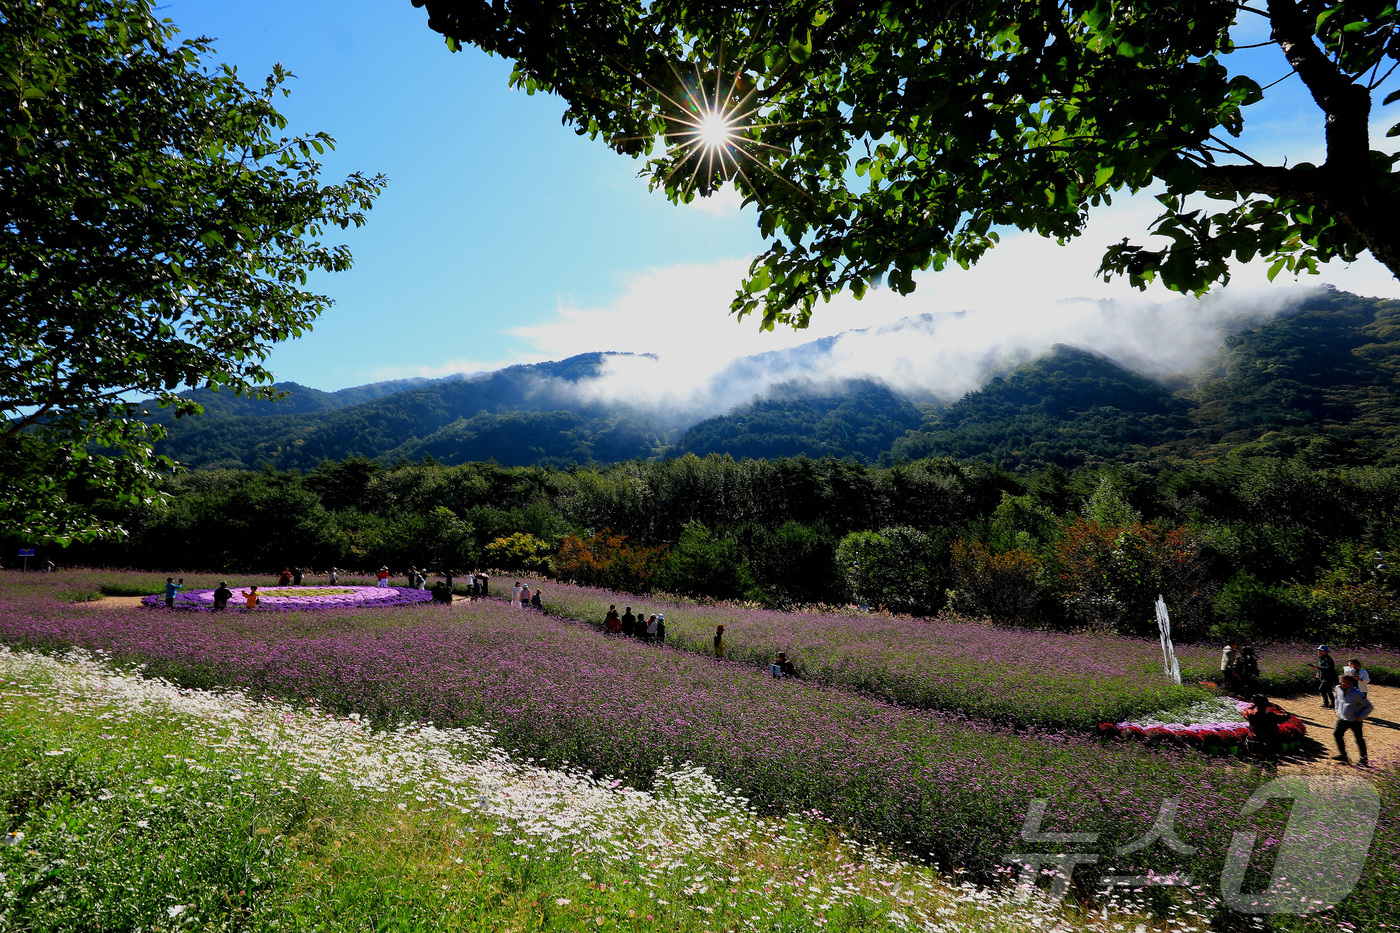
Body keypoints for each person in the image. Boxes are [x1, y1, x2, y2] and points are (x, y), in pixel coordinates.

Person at [1333, 674, 1374, 766]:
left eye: (1345, 682)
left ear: (1351, 683)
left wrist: (1361, 717)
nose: (1343, 683)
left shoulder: (1357, 694)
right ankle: (1343, 756)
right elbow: (1336, 699)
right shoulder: (1337, 688)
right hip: (1343, 719)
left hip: (1355, 720)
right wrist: (1337, 710)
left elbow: (1369, 707)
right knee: (1337, 734)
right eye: (1341, 681)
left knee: (1359, 739)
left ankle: (1364, 760)